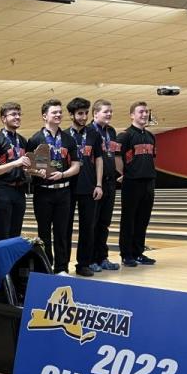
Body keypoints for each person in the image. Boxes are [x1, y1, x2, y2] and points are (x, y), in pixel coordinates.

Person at [28, 99, 79, 275]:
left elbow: (76, 166)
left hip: (64, 191)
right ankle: (47, 267)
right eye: (54, 112)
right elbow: (29, 167)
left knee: (62, 232)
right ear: (44, 116)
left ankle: (62, 268)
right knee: (44, 233)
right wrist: (37, 172)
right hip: (43, 192)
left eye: (59, 112)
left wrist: (63, 174)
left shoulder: (68, 139)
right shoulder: (35, 139)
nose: (58, 115)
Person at [65, 97, 104, 277]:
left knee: (87, 227)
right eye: (80, 113)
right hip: (68, 188)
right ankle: (63, 264)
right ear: (71, 114)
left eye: (86, 113)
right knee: (65, 227)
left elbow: (98, 159)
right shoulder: (64, 136)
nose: (84, 116)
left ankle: (83, 264)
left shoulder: (94, 135)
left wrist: (98, 184)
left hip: (89, 187)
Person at [117, 101, 158, 267]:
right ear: (132, 115)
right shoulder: (125, 135)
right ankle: (126, 254)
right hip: (132, 183)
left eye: (146, 112)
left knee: (143, 220)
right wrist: (124, 174)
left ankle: (138, 252)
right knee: (129, 220)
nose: (144, 114)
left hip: (149, 182)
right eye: (140, 111)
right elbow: (116, 157)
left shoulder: (150, 136)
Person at [0, 102, 32, 241]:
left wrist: (35, 171)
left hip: (19, 191)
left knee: (15, 233)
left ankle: (13, 263)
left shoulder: (23, 141)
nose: (17, 117)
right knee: (3, 233)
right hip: (2, 191)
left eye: (19, 114)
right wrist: (15, 163)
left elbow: (27, 167)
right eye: (13, 114)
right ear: (3, 118)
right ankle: (0, 263)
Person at [90, 99, 122, 271]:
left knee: (104, 223)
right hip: (95, 185)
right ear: (95, 114)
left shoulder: (112, 131)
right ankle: (90, 259)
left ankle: (102, 257)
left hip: (110, 184)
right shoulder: (88, 132)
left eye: (111, 111)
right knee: (92, 224)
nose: (109, 114)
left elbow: (113, 156)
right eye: (105, 111)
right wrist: (97, 183)